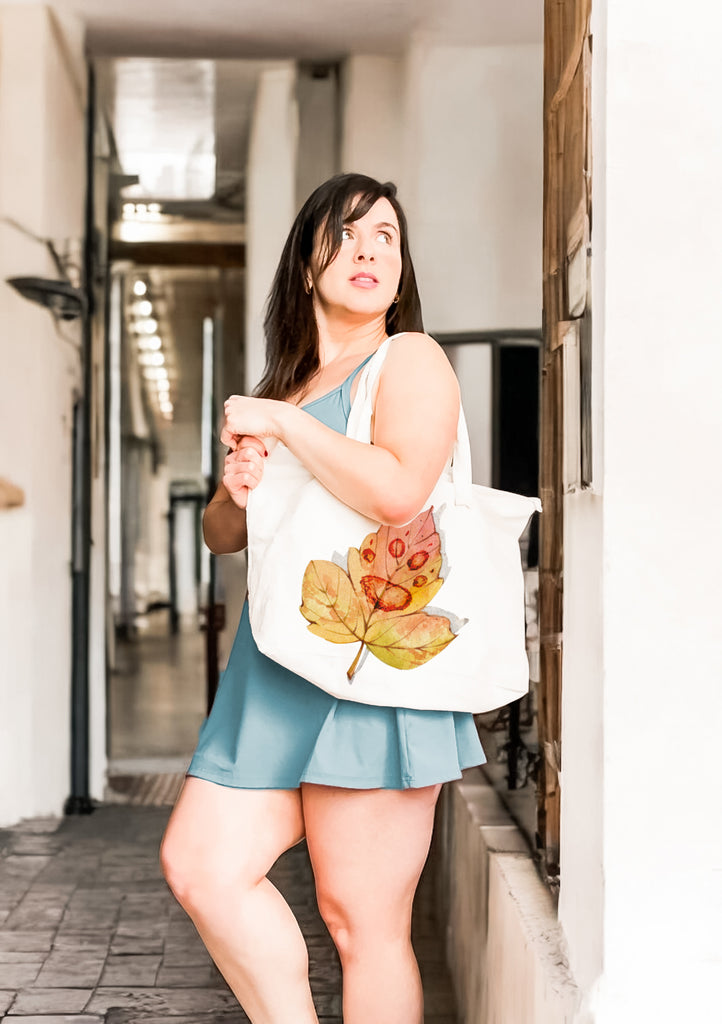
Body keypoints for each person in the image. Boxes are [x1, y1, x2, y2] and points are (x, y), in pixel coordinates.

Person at [160, 173, 486, 1024]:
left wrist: (283, 425)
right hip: (274, 661)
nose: (370, 248)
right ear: (307, 259)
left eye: (386, 235)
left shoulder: (408, 358)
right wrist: (236, 487)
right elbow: (223, 536)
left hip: (369, 656)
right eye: (347, 233)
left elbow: (400, 491)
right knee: (202, 865)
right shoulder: (287, 385)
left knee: (361, 923)